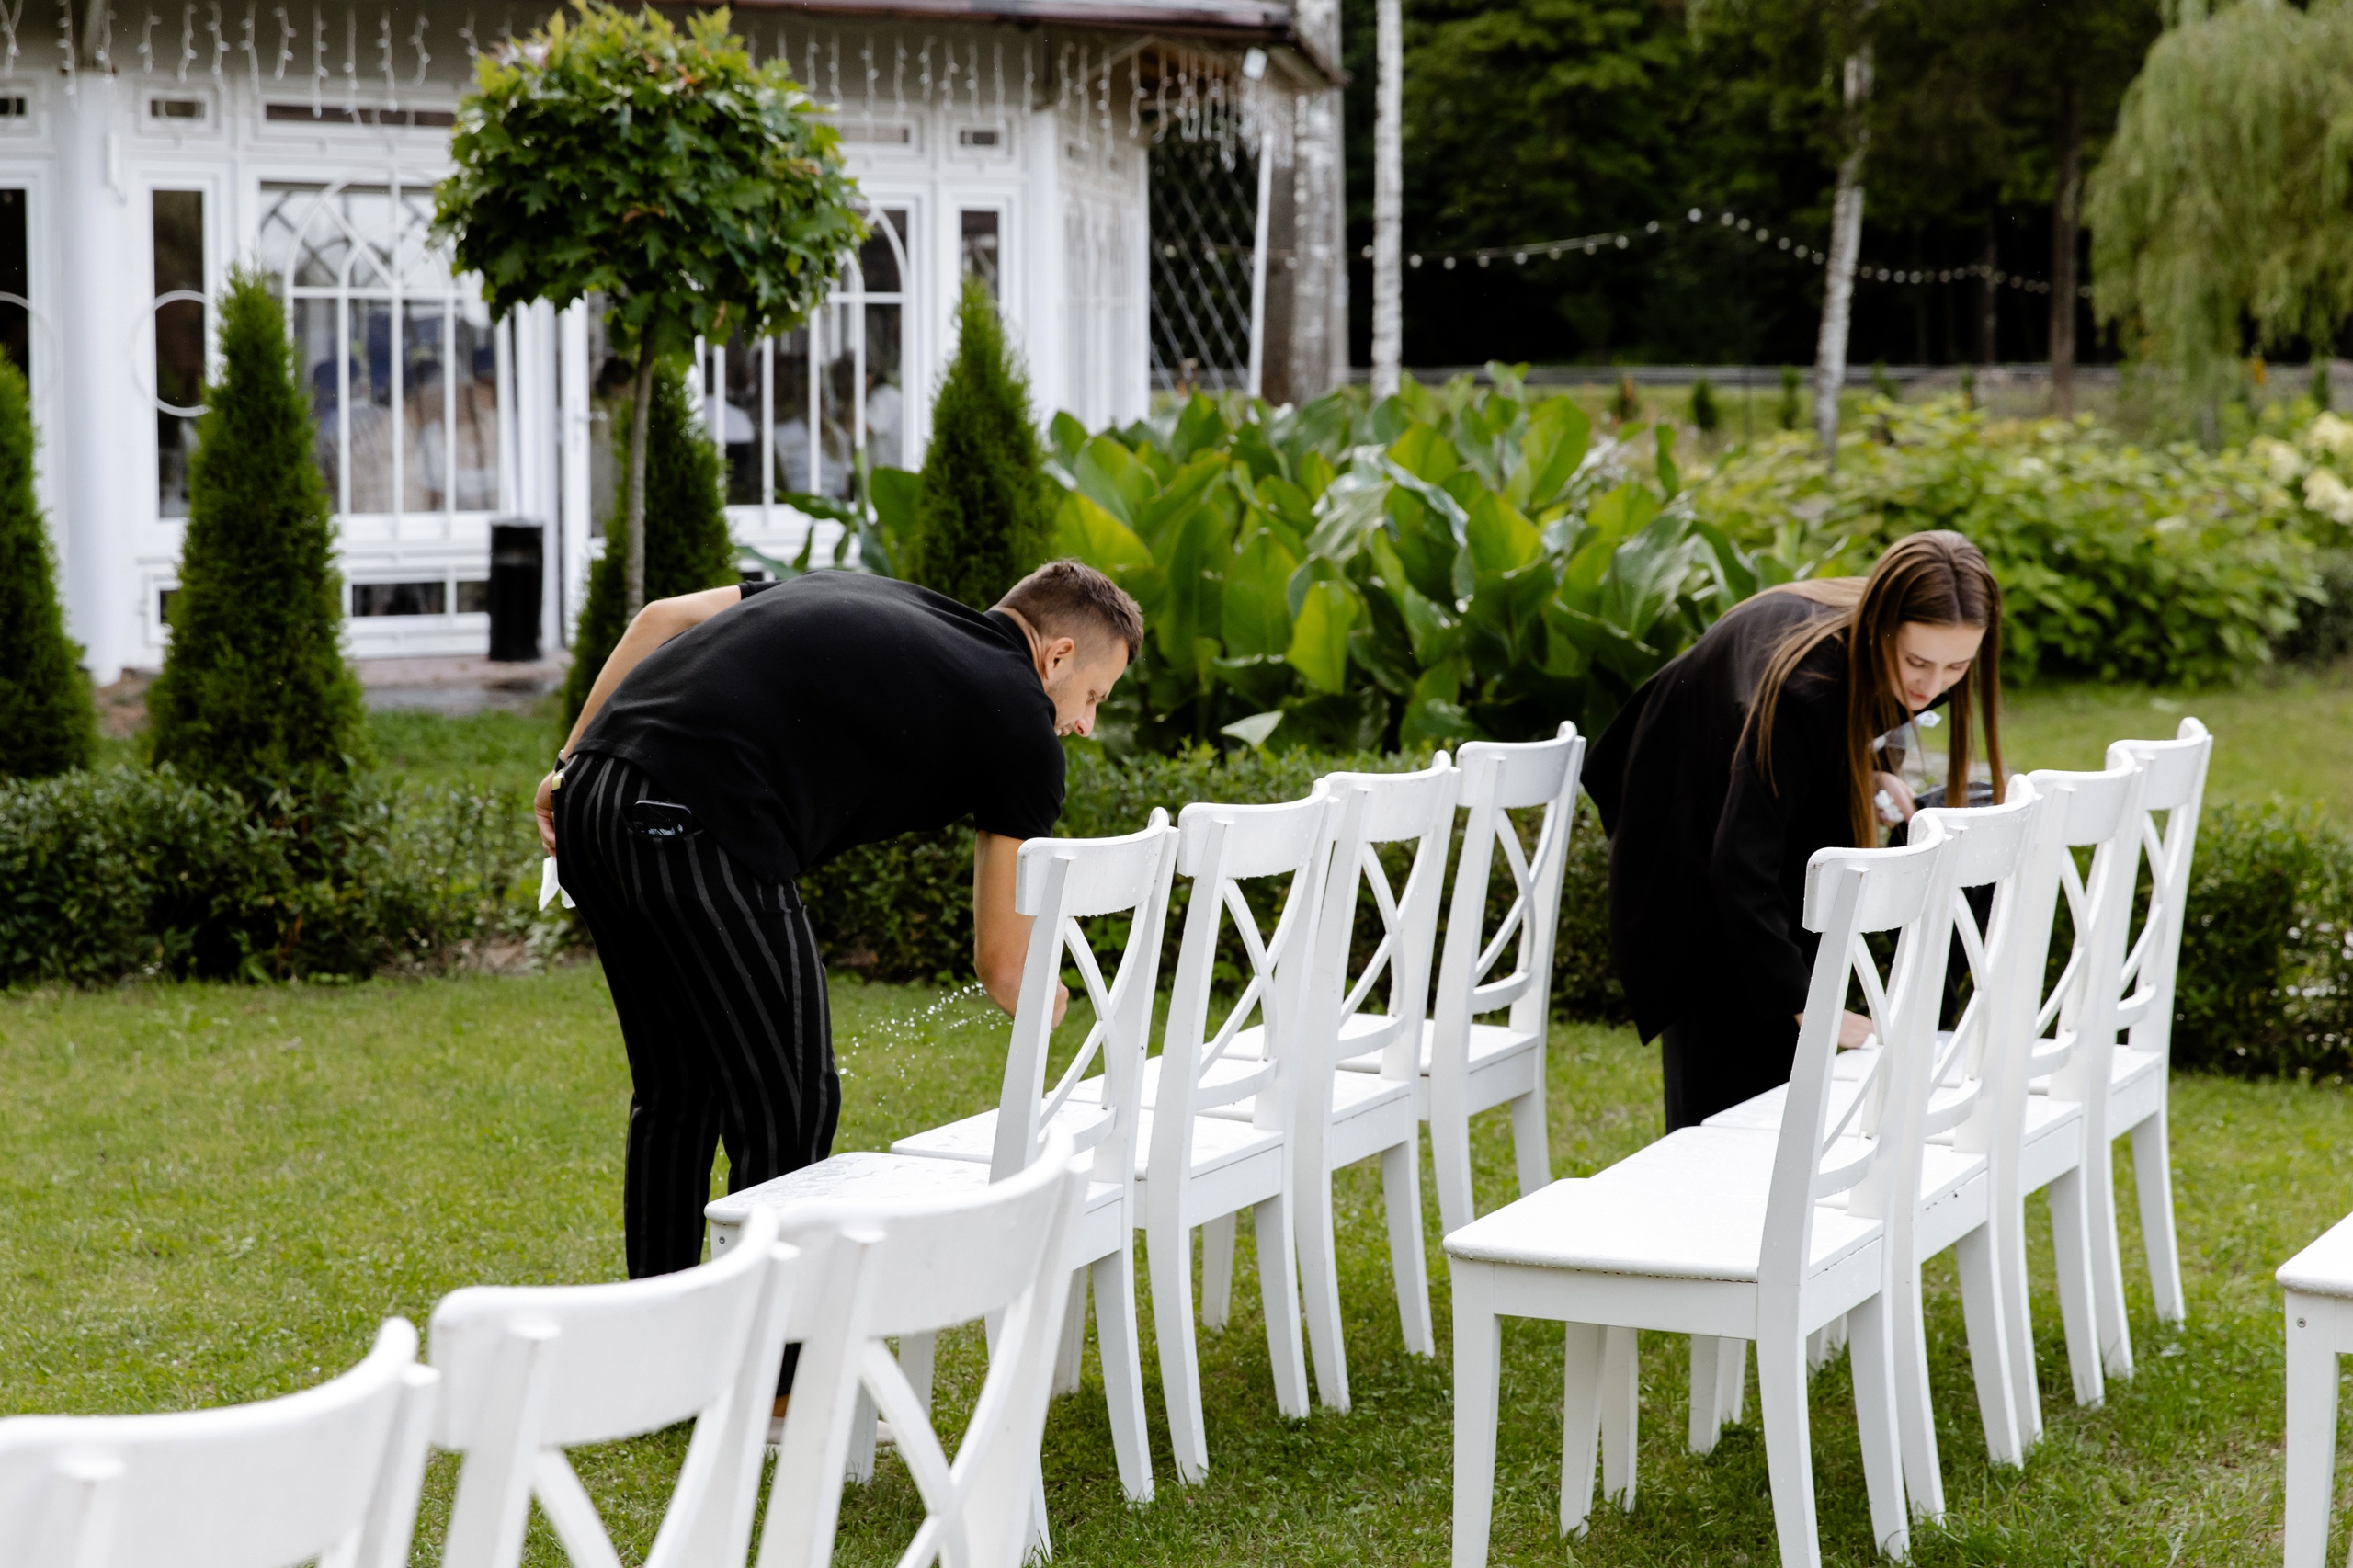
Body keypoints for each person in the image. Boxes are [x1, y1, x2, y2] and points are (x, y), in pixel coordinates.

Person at [535, 561, 1142, 1410]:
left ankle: (659, 1365)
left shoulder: (867, 587)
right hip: (699, 822)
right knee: (791, 1099)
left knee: (680, 1091)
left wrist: (569, 765)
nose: (1082, 725)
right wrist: (1053, 998)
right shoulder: (1021, 724)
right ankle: (778, 1385)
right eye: (1096, 697)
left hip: (594, 795)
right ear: (1058, 655)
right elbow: (1003, 965)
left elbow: (663, 617)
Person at [1583, 529, 2005, 1131]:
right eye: (1917, 662)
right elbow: (1740, 863)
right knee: (1731, 1068)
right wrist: (1805, 1004)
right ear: (1883, 630)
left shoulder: (1885, 648)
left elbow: (1859, 715)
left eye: (1957, 666)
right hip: (1679, 792)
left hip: (1746, 767)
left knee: (1787, 1034)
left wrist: (1872, 768)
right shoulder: (1808, 686)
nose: (1932, 686)